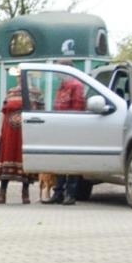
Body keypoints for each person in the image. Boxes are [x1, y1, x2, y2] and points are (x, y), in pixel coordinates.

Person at [45, 76, 87, 204]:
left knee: (71, 160)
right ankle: (58, 193)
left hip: (71, 127)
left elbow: (78, 109)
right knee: (59, 160)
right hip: (59, 127)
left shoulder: (76, 86)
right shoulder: (61, 87)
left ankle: (70, 194)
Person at [0, 83, 31, 203]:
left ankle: (25, 192)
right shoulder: (10, 92)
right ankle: (2, 192)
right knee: (7, 157)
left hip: (25, 133)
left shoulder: (34, 93)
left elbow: (40, 113)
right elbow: (2, 113)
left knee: (25, 160)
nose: (19, 77)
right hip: (8, 133)